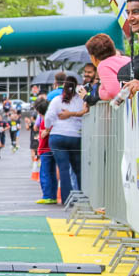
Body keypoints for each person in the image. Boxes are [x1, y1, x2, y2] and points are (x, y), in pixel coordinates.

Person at [45, 76, 88, 204]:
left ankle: (66, 199)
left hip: (57, 136)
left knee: (63, 169)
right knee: (78, 168)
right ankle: (82, 196)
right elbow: (85, 113)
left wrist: (48, 128)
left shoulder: (57, 100)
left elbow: (49, 117)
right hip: (75, 136)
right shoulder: (80, 101)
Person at [84, 33, 131, 101]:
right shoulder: (126, 59)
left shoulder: (103, 66)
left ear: (94, 57)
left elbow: (114, 92)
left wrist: (101, 92)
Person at [34, 98, 58, 204]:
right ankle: (52, 195)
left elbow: (43, 136)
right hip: (52, 148)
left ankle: (47, 195)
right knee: (51, 173)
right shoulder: (51, 120)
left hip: (45, 150)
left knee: (45, 173)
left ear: (38, 111)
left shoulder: (44, 122)